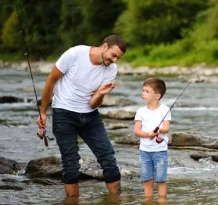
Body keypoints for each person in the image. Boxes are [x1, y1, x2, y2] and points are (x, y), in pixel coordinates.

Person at [36, 35, 126, 197]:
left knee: (108, 159)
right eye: (113, 55)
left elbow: (93, 104)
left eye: (118, 58)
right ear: (104, 46)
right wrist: (43, 111)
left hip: (90, 116)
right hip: (64, 114)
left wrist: (100, 93)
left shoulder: (111, 69)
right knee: (71, 164)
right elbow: (51, 81)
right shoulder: (75, 54)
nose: (115, 61)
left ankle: (116, 200)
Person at [133, 78, 171, 203]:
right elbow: (136, 131)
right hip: (144, 151)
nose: (143, 93)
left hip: (160, 151)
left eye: (147, 91)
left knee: (161, 180)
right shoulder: (140, 111)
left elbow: (166, 128)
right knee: (147, 180)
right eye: (143, 90)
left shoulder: (165, 110)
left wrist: (158, 131)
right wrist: (147, 134)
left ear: (157, 95)